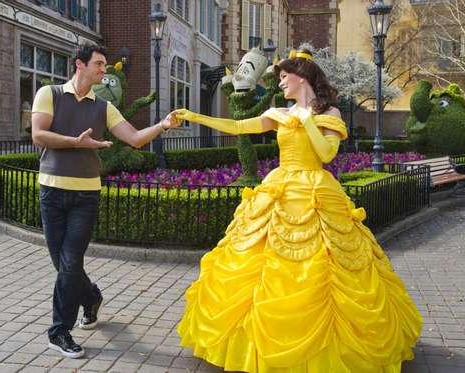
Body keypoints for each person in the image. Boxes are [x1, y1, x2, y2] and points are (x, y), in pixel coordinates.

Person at [173, 49, 422, 372]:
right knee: (258, 257)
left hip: (316, 190)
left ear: (300, 76)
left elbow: (327, 154)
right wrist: (195, 117)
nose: (280, 84)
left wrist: (308, 122)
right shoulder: (278, 112)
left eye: (283, 77)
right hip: (280, 187)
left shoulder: (329, 111)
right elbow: (238, 127)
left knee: (328, 264)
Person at [31, 44, 179, 359]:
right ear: (79, 65)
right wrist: (76, 143)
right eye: (99, 64)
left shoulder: (103, 107)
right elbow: (38, 135)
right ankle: (92, 297)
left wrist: (163, 125)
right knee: (63, 265)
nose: (104, 69)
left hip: (86, 195)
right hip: (51, 192)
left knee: (70, 264)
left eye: (104, 64)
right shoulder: (50, 94)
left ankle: (59, 332)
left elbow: (136, 139)